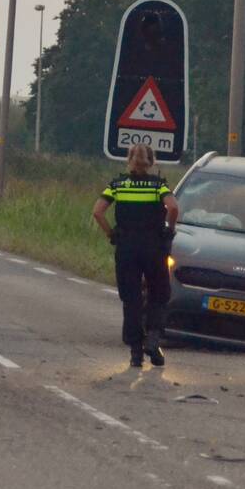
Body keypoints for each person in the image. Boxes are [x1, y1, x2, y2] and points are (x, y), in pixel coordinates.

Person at [93, 144, 179, 368]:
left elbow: (97, 211)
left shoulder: (118, 185)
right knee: (159, 295)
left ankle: (135, 353)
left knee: (131, 298)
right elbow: (173, 208)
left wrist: (111, 233)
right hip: (153, 248)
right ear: (152, 162)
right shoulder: (158, 186)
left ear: (128, 160)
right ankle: (152, 337)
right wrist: (168, 230)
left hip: (127, 248)